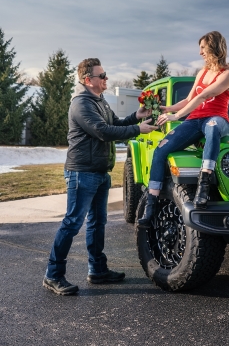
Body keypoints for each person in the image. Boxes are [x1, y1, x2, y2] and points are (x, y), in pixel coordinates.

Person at [43, 58, 157, 295]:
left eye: (106, 74)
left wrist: (137, 116)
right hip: (81, 173)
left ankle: (98, 271)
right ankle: (53, 275)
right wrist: (138, 129)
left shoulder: (99, 101)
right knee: (72, 223)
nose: (106, 79)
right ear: (88, 80)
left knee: (97, 223)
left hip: (99, 173)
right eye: (102, 75)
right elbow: (103, 132)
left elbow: (115, 123)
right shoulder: (81, 104)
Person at [139, 31, 229, 227]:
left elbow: (203, 97)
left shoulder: (227, 75)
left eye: (203, 47)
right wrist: (168, 108)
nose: (200, 52)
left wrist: (176, 116)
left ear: (214, 47)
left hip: (217, 119)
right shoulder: (201, 73)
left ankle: (204, 185)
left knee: (212, 127)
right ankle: (151, 205)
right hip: (195, 120)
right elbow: (190, 99)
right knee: (160, 150)